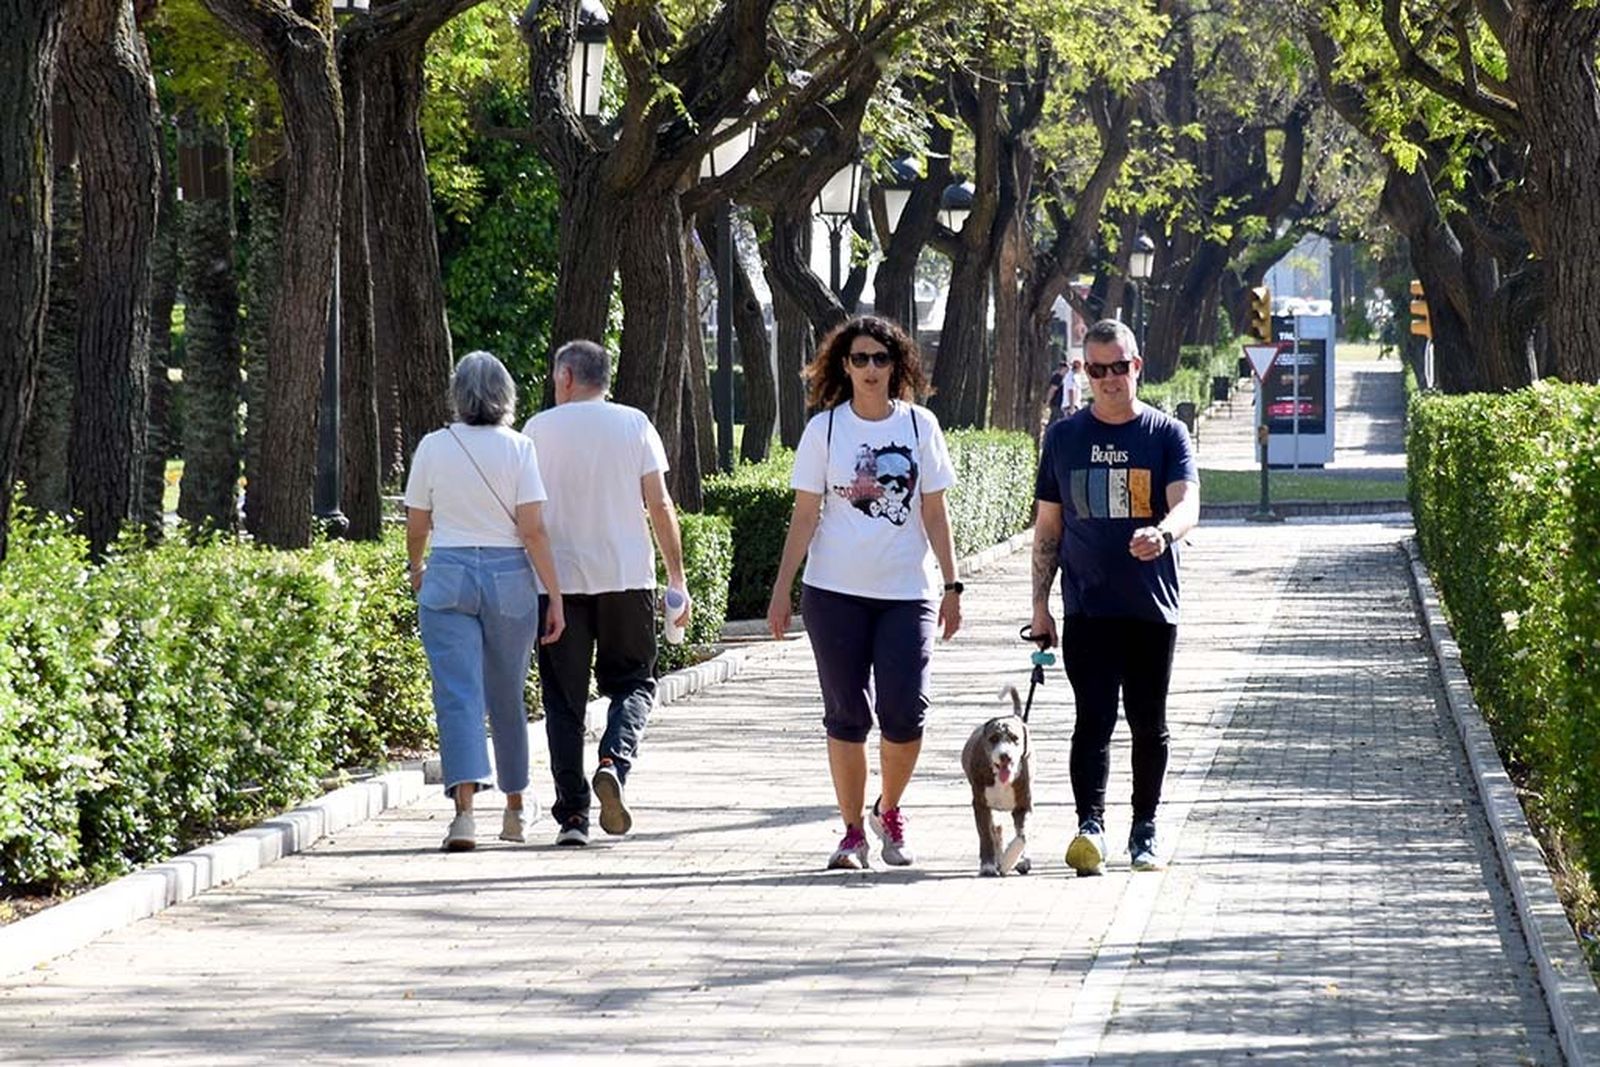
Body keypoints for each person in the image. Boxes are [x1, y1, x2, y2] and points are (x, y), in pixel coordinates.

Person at [765, 315, 963, 870]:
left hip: (907, 592)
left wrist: (952, 583)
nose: (871, 369)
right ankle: (851, 832)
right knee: (846, 715)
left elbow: (934, 510)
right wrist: (782, 589)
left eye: (881, 358)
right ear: (843, 367)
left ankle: (889, 809)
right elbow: (805, 515)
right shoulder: (824, 431)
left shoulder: (921, 426)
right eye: (860, 359)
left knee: (906, 712)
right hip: (834, 593)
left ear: (897, 365)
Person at [1029, 318, 1199, 876]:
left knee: (1148, 722)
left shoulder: (1165, 434)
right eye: (1095, 369)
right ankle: (1090, 827)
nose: (1108, 379)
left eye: (1118, 367)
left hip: (1151, 608)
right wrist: (1040, 606)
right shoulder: (1063, 438)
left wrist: (1164, 533)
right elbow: (1049, 529)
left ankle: (1144, 828)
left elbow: (1187, 503)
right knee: (1093, 720)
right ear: (1084, 370)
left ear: (1136, 367)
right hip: (1088, 608)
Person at [521, 339, 690, 847]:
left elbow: (525, 517)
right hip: (626, 577)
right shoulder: (634, 423)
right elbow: (659, 505)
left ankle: (573, 817)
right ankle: (615, 759)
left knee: (564, 703)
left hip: (556, 586)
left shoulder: (535, 431)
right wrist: (676, 577)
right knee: (635, 683)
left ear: (567, 377)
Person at [405, 351, 566, 852]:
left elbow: (417, 523)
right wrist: (554, 595)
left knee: (457, 696)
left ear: (457, 393)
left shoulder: (434, 446)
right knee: (507, 696)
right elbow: (533, 530)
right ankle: (516, 808)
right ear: (506, 395)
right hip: (509, 577)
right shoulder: (520, 449)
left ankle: (464, 816)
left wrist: (417, 569)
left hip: (449, 571)